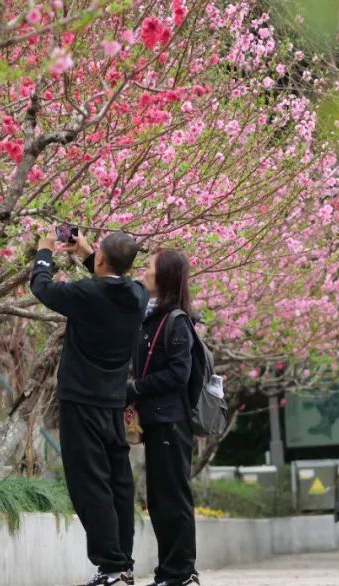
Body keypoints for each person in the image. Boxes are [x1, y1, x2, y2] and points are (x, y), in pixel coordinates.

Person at [30, 229, 149, 586]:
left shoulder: (85, 293)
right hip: (113, 402)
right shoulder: (138, 294)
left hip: (81, 401)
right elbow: (110, 283)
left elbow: (43, 287)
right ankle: (122, 564)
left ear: (100, 260)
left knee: (89, 484)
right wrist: (88, 254)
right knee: (117, 484)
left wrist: (44, 252)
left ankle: (111, 565)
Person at [127, 248, 200, 586]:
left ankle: (182, 573)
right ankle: (168, 571)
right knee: (158, 499)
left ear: (164, 276)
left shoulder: (177, 322)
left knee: (174, 498)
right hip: (155, 421)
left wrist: (136, 388)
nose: (144, 271)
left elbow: (178, 375)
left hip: (171, 421)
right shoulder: (149, 316)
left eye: (150, 267)